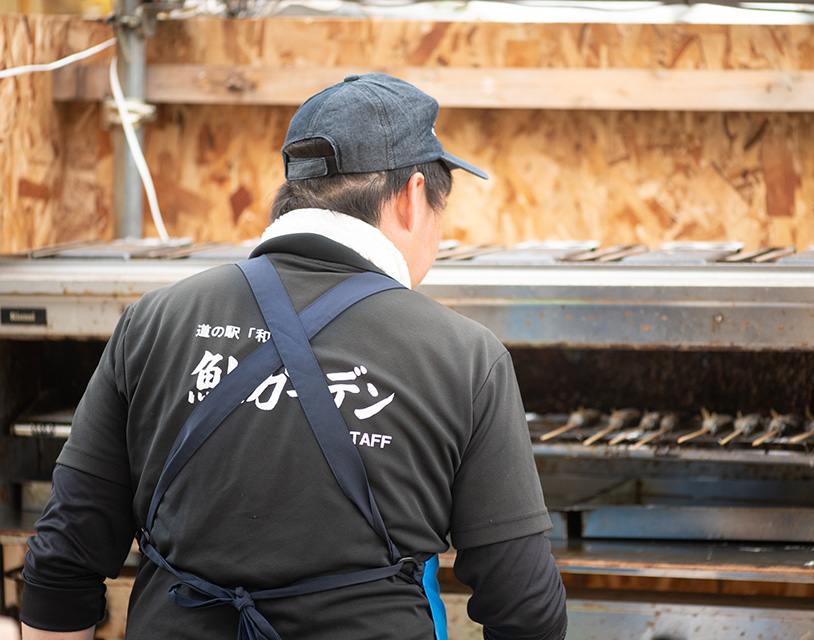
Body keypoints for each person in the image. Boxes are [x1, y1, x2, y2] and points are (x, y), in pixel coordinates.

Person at [20, 73, 567, 640]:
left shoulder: (153, 322)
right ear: (411, 198)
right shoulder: (466, 358)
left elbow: (63, 562)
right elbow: (525, 611)